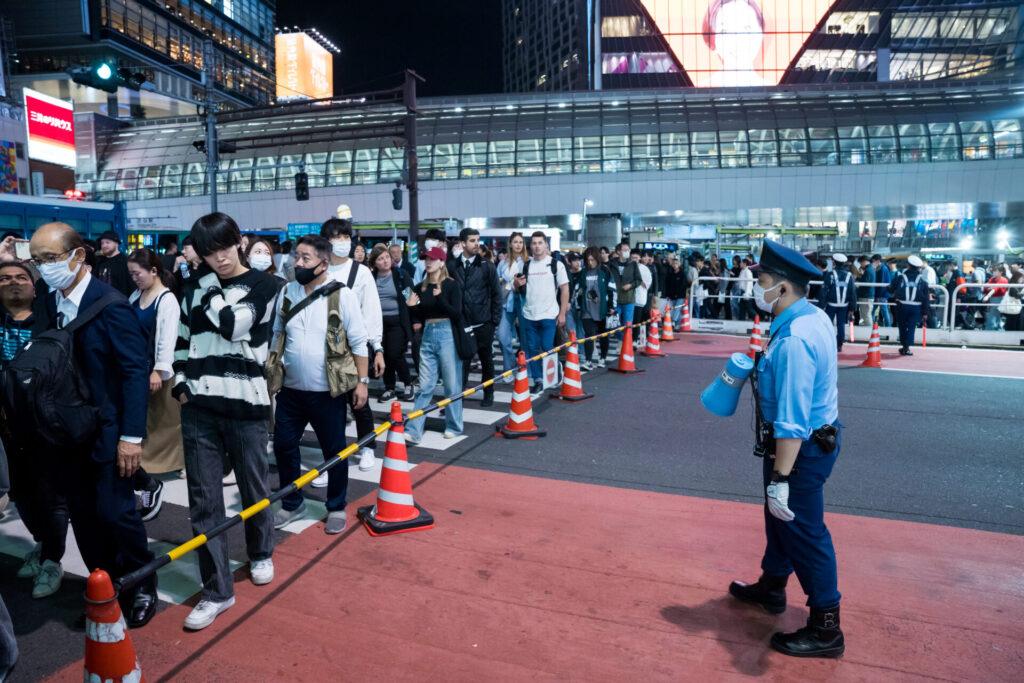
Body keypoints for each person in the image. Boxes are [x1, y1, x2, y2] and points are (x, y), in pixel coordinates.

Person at [28, 222, 157, 627]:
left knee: (115, 513)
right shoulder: (48, 303)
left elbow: (136, 372)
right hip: (64, 433)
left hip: (108, 430)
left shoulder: (111, 305)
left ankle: (141, 582)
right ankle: (106, 583)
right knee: (83, 517)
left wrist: (131, 437)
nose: (45, 268)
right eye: (38, 261)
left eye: (51, 259)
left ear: (78, 256)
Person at [729, 239, 844, 659]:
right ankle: (772, 587)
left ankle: (826, 628)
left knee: (806, 534)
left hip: (799, 449)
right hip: (806, 441)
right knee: (780, 524)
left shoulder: (795, 338)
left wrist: (780, 477)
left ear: (782, 287)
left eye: (760, 281)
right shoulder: (811, 317)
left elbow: (794, 419)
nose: (754, 288)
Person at [173, 212, 278, 631]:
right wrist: (181, 383)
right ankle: (217, 590)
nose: (219, 258)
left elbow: (235, 326)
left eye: (224, 247)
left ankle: (262, 551)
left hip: (247, 405)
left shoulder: (266, 284)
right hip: (199, 406)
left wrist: (209, 286)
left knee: (254, 486)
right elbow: (181, 338)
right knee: (204, 501)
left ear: (239, 241)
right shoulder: (192, 287)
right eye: (209, 252)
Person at [269, 236, 370, 534]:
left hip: (328, 392)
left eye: (305, 259)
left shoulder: (342, 295)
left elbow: (359, 342)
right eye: (296, 257)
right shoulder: (287, 292)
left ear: (323, 263)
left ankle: (336, 506)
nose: (297, 263)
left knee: (334, 450)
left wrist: (362, 383)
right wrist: (273, 371)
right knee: (284, 447)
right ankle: (292, 503)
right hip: (291, 391)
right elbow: (277, 332)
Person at [0, 261, 70, 599]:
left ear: (33, 285)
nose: (13, 284)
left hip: (43, 424)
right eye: (5, 279)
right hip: (5, 426)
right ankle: (43, 545)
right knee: (20, 493)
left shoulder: (49, 323)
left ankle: (53, 559)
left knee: (51, 494)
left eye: (20, 278)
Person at [320, 218, 384, 472]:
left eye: (346, 237)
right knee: (328, 406)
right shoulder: (320, 269)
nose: (342, 242)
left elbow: (371, 311)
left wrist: (376, 347)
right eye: (337, 237)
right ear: (326, 241)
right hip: (324, 347)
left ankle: (367, 447)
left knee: (359, 401)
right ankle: (332, 458)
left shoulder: (361, 272)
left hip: (354, 346)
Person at [126, 249, 183, 522]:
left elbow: (166, 340)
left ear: (154, 271)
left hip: (155, 371)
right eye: (131, 274)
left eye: (138, 273)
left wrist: (160, 371)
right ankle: (144, 470)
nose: (134, 278)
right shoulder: (136, 295)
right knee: (147, 422)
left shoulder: (167, 299)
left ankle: (161, 469)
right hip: (137, 368)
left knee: (163, 423)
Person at [405, 246, 464, 443]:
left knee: (451, 384)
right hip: (428, 333)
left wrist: (440, 299)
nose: (428, 262)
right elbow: (420, 316)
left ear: (441, 262)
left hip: (448, 332)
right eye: (425, 259)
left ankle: (454, 426)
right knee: (425, 385)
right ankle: (414, 430)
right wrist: (413, 308)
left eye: (432, 259)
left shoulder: (451, 285)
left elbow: (456, 313)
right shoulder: (420, 286)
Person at [450, 228, 502, 407]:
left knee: (486, 360)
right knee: (462, 362)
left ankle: (489, 393)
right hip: (461, 323)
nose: (476, 244)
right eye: (472, 240)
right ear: (462, 243)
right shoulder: (452, 266)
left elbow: (497, 294)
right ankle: (459, 396)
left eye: (477, 240)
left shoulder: (487, 266)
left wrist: (494, 321)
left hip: (483, 322)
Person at [513, 232, 569, 392]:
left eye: (540, 243)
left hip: (549, 314)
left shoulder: (556, 265)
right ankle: (538, 380)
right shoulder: (524, 265)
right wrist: (517, 284)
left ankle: (555, 369)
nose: (537, 246)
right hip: (529, 314)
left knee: (546, 345)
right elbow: (518, 290)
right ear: (530, 246)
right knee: (531, 348)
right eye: (534, 243)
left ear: (546, 245)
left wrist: (562, 312)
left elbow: (564, 289)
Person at [369, 244, 415, 402]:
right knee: (384, 355)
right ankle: (390, 388)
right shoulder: (371, 278)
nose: (385, 261)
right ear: (375, 263)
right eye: (381, 259)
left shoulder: (400, 275)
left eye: (387, 257)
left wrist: (415, 321)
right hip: (378, 323)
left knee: (395, 354)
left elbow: (411, 300)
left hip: (397, 322)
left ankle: (408, 384)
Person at [700, 0, 766, 87]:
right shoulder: (695, 94)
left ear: (761, 33)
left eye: (747, 28)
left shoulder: (778, 94)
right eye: (725, 31)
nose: (737, 39)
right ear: (711, 40)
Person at [576, 247, 616, 368]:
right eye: (588, 260)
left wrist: (612, 306)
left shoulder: (605, 271)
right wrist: (578, 306)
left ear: (597, 259)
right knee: (589, 335)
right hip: (587, 309)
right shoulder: (583, 272)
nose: (590, 263)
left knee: (604, 335)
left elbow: (612, 289)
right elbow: (579, 289)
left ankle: (602, 357)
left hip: (602, 309)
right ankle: (588, 361)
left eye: (593, 260)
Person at [496, 231, 527, 380]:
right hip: (505, 305)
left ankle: (529, 371)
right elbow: (496, 283)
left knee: (526, 340)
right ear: (510, 244)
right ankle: (509, 368)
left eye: (520, 242)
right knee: (502, 338)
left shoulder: (528, 262)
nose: (518, 245)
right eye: (515, 242)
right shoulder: (502, 263)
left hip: (522, 304)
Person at [889, 255, 930, 355]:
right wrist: (925, 312)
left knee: (902, 326)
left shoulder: (900, 278)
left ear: (908, 265)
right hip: (916, 307)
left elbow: (890, 289)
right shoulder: (922, 281)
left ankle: (904, 346)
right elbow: (926, 298)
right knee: (911, 327)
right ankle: (907, 347)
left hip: (902, 306)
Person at [817, 254, 858, 352]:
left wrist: (821, 305)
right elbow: (852, 292)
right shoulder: (849, 275)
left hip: (831, 305)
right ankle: (839, 344)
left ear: (834, 262)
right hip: (844, 305)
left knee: (827, 324)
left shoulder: (830, 274)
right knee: (841, 324)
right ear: (844, 263)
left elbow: (824, 291)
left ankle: (827, 342)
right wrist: (852, 308)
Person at [608, 243, 642, 339]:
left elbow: (638, 280)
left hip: (629, 299)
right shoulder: (611, 264)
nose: (628, 252)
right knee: (615, 324)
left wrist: (630, 285)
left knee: (628, 324)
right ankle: (620, 340)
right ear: (618, 252)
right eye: (625, 250)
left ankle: (626, 345)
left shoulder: (633, 264)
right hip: (615, 299)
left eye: (628, 250)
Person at [94, 230, 133, 296]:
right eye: (102, 243)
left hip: (120, 302)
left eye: (107, 242)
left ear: (116, 243)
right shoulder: (100, 261)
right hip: (101, 302)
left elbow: (131, 286)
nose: (104, 245)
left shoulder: (125, 262)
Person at [981, 264, 1009, 331]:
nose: (993, 272)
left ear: (1001, 272)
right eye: (993, 271)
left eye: (995, 271)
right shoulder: (992, 278)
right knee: (996, 317)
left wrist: (987, 296)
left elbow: (995, 288)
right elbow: (986, 286)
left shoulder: (1004, 280)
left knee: (992, 317)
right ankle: (997, 331)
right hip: (993, 299)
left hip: (999, 300)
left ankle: (989, 332)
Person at [664, 257, 688, 329]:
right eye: (674, 263)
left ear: (679, 264)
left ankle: (673, 321)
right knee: (676, 310)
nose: (675, 265)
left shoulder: (682, 274)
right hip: (672, 295)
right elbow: (668, 285)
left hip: (680, 295)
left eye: (676, 263)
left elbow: (684, 286)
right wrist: (668, 295)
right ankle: (678, 325)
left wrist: (679, 293)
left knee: (677, 309)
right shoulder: (670, 274)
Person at [869, 255, 893, 327]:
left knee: (883, 311)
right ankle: (885, 326)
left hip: (881, 294)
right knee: (881, 311)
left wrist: (878, 295)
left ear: (878, 261)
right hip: (880, 294)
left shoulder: (883, 269)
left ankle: (888, 327)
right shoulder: (879, 268)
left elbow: (882, 283)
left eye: (873, 261)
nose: (872, 263)